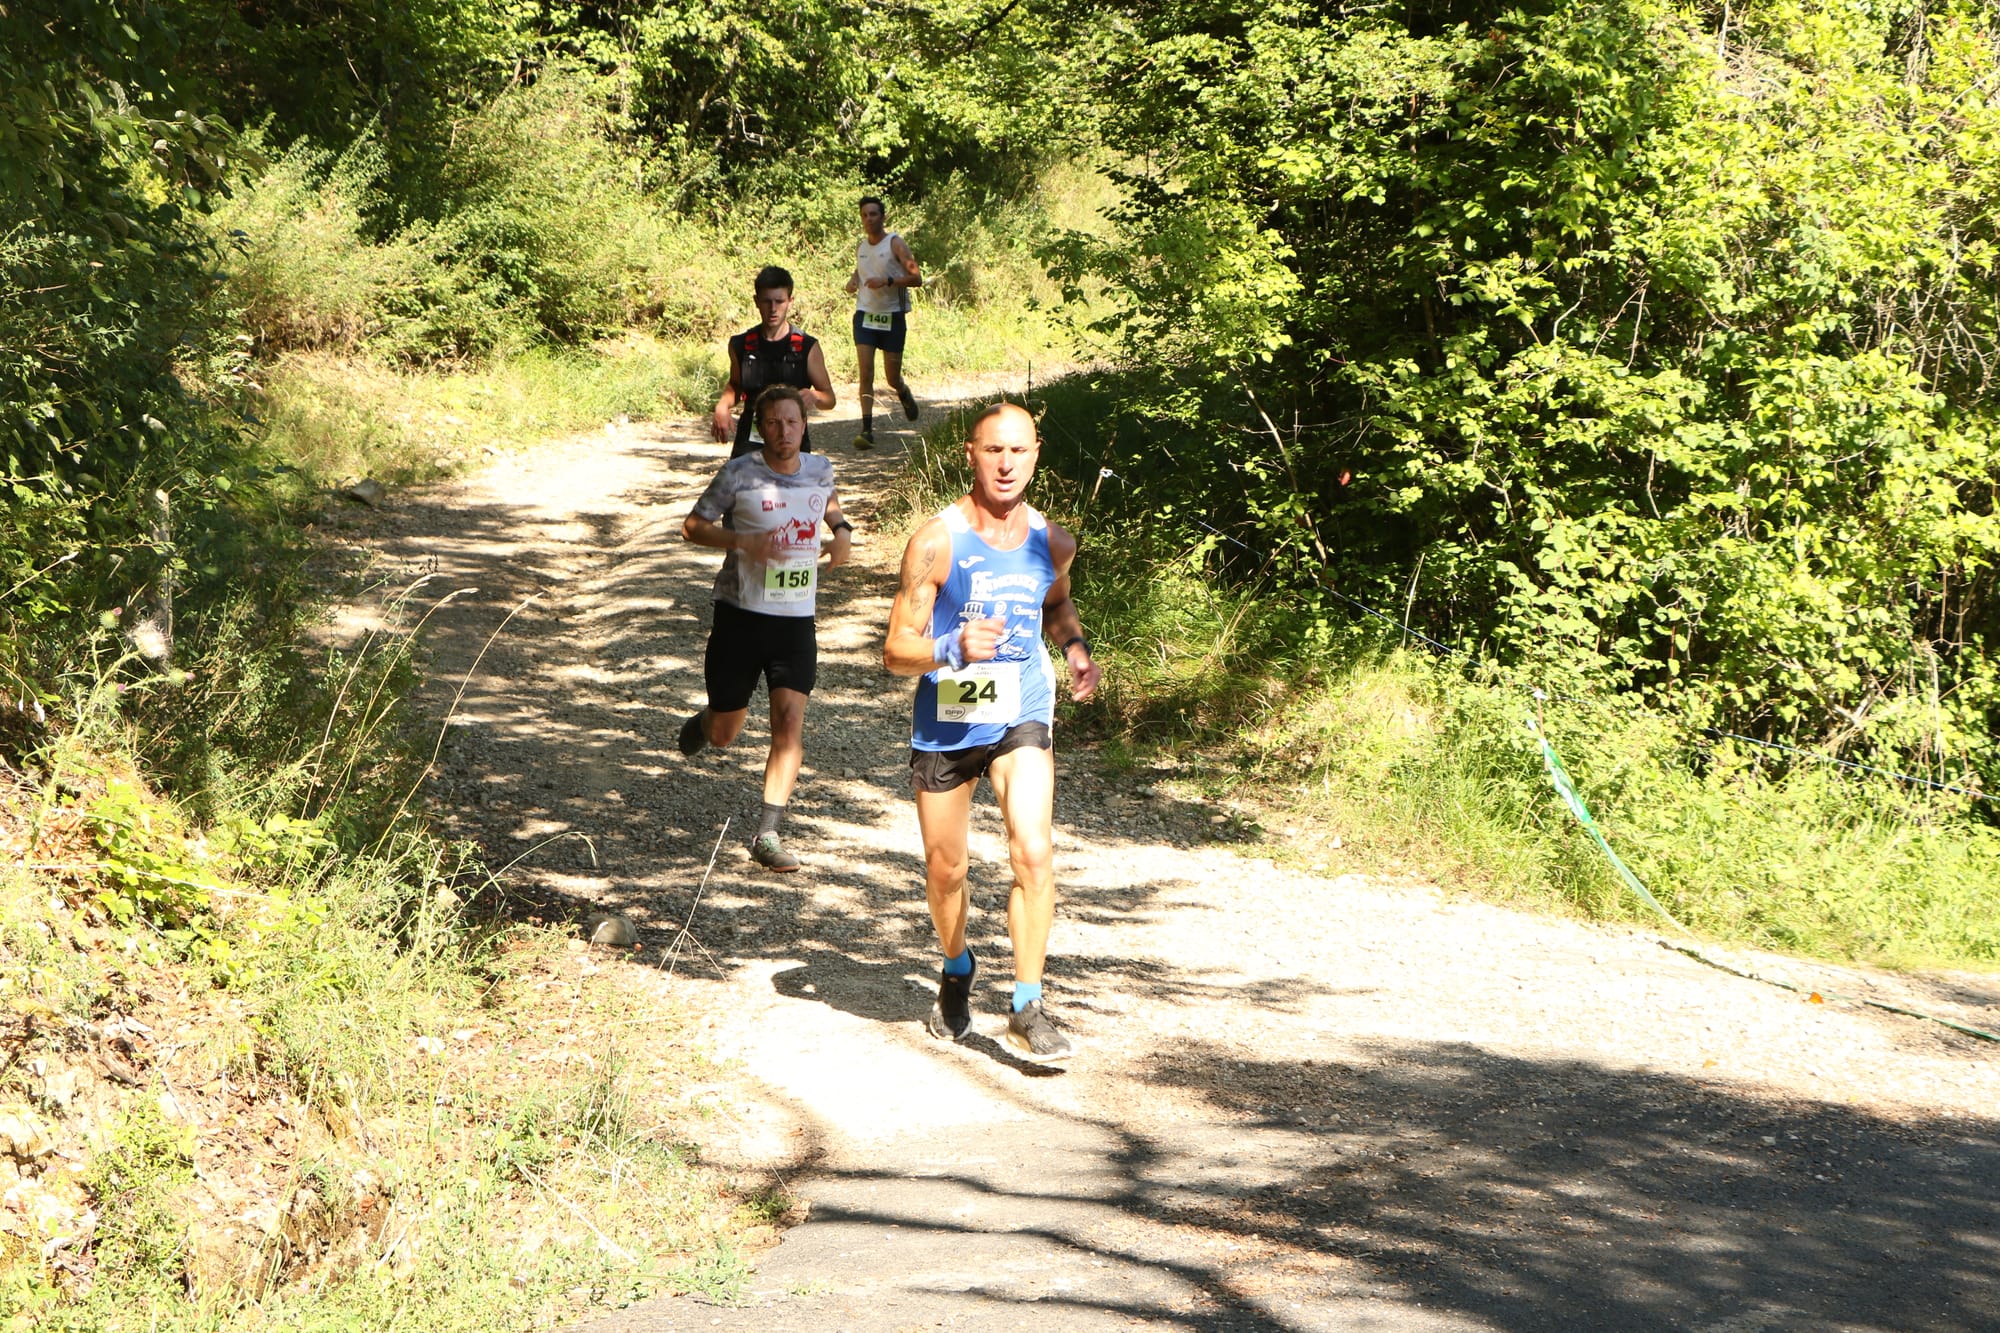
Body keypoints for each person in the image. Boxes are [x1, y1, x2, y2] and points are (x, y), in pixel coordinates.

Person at [882, 402, 1101, 1061]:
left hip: (1020, 708)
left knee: (1032, 849)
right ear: (970, 455)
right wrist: (950, 646)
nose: (1007, 464)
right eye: (993, 451)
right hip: (948, 715)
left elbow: (1055, 603)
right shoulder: (935, 541)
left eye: (1020, 451)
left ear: (1037, 454)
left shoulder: (1052, 541)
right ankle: (956, 965)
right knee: (945, 868)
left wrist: (1075, 647)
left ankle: (1027, 1003)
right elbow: (895, 649)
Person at [681, 385, 853, 871]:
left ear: (805, 425)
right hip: (740, 617)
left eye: (792, 423)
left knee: (790, 723)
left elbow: (830, 505)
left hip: (795, 622)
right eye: (773, 424)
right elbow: (692, 527)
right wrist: (741, 541)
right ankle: (705, 722)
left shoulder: (820, 469)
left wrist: (841, 534)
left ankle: (768, 833)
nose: (783, 432)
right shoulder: (739, 473)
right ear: (760, 428)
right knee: (724, 733)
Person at [712, 266, 836, 459]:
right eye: (767, 301)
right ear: (756, 302)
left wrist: (815, 396)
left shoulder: (806, 347)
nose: (773, 309)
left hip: (792, 442)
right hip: (751, 439)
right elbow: (735, 386)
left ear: (790, 302)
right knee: (741, 488)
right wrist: (722, 406)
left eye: (779, 301)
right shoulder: (741, 345)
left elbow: (829, 399)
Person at [843, 196, 922, 449]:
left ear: (883, 217)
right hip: (865, 315)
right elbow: (862, 268)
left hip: (892, 317)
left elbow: (916, 278)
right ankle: (866, 430)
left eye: (873, 214)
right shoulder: (862, 247)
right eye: (865, 215)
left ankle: (901, 390)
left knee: (891, 377)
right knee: (865, 373)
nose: (869, 219)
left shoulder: (895, 243)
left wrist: (888, 281)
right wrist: (854, 281)